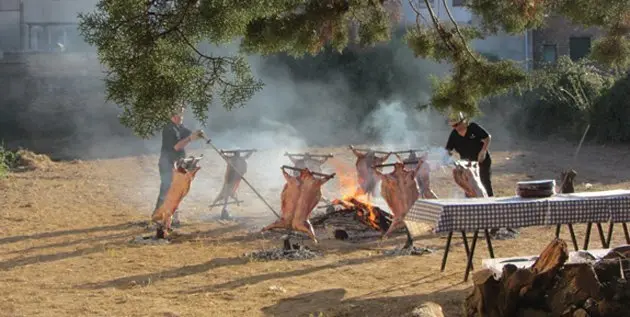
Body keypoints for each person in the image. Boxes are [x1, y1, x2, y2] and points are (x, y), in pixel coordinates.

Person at [153, 106, 205, 227]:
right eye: (177, 115)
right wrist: (190, 138)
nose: (180, 117)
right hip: (168, 163)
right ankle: (158, 216)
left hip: (179, 163)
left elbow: (189, 134)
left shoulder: (180, 128)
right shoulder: (168, 129)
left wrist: (197, 134)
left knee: (177, 190)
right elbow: (176, 147)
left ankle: (172, 216)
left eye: (181, 114)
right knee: (166, 189)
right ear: (172, 116)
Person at [445, 112, 493, 196]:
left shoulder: (473, 127)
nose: (456, 128)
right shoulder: (454, 134)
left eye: (457, 125)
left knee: (484, 183)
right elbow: (448, 150)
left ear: (463, 121)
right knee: (469, 186)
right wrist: (449, 158)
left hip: (481, 161)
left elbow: (487, 137)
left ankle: (490, 204)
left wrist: (483, 151)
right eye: (453, 126)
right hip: (467, 165)